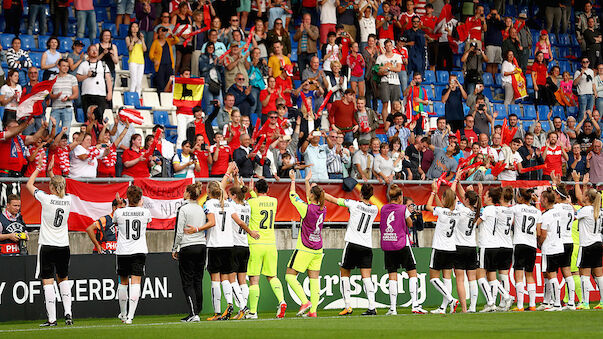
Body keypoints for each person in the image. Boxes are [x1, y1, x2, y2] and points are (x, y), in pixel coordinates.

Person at [184, 174, 256, 321]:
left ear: (209, 192)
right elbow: (241, 223)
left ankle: (218, 312)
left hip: (215, 245)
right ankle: (238, 305)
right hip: (229, 245)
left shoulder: (209, 204)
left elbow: (211, 223)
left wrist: (197, 229)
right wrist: (251, 233)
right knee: (227, 279)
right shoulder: (228, 204)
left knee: (215, 279)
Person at [25, 166, 73, 326]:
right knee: (63, 279)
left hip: (47, 245)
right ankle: (68, 314)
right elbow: (60, 188)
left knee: (48, 281)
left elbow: (29, 185)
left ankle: (52, 319)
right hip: (63, 245)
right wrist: (52, 173)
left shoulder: (45, 198)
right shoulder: (68, 200)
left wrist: (39, 168)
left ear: (51, 187)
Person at [322, 183, 378, 316]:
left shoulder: (353, 204)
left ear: (360, 194)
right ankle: (372, 307)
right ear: (371, 195)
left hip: (352, 243)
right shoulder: (375, 209)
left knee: (345, 273)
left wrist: (320, 193)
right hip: (366, 246)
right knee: (366, 277)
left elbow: (333, 200)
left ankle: (348, 306)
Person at [243, 178, 287, 319]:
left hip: (255, 244)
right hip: (271, 244)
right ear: (268, 190)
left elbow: (254, 202)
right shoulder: (274, 201)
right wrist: (253, 191)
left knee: (254, 279)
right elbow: (262, 201)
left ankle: (253, 312)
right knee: (272, 276)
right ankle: (282, 301)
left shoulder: (251, 202)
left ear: (255, 189)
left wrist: (250, 191)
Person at [285, 169, 326, 318]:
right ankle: (313, 311)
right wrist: (307, 182)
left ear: (312, 196)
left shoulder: (306, 208)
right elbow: (311, 201)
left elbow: (292, 196)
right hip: (318, 248)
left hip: (305, 247)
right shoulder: (323, 209)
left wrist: (293, 180)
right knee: (314, 279)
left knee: (289, 276)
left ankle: (304, 301)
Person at [379, 184, 426, 314]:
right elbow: (410, 224)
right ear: (400, 197)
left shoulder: (383, 208)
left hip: (388, 244)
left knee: (392, 275)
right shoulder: (402, 208)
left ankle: (393, 308)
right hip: (402, 243)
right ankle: (415, 305)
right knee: (412, 272)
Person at [171, 182, 206, 322]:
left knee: (188, 281)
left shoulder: (183, 209)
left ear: (188, 194)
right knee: (198, 280)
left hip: (188, 246)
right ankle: (197, 310)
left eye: (185, 191)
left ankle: (193, 313)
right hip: (201, 246)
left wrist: (175, 248)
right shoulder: (200, 208)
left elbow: (179, 232)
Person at [425, 181, 461, 314]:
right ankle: (443, 308)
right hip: (451, 249)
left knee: (433, 278)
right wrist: (438, 198)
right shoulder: (456, 213)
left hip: (439, 248)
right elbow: (443, 209)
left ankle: (451, 300)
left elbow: (429, 206)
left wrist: (433, 192)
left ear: (445, 199)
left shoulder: (441, 211)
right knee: (447, 278)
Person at [509, 189, 542, 312]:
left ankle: (520, 305)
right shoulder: (537, 212)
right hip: (531, 244)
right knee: (529, 274)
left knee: (519, 274)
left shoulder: (516, 208)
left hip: (519, 243)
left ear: (521, 198)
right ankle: (532, 304)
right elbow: (539, 232)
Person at [573, 177, 603, 310]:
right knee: (599, 274)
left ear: (587, 198)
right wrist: (583, 185)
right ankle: (602, 302)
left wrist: (569, 204)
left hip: (587, 245)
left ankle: (585, 303)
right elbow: (581, 198)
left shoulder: (585, 211)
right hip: (598, 243)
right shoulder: (599, 211)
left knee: (584, 274)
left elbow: (573, 215)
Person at [451, 180, 482, 313]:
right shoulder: (477, 211)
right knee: (472, 279)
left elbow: (452, 196)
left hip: (459, 247)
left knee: (460, 279)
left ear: (467, 200)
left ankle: (464, 308)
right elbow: (466, 197)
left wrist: (456, 181)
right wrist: (460, 185)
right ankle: (473, 307)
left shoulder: (461, 210)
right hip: (471, 247)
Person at [227, 178, 252, 320]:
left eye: (230, 195)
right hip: (245, 246)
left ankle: (243, 307)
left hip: (234, 246)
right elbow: (239, 192)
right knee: (242, 280)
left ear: (234, 196)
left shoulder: (232, 207)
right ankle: (244, 308)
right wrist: (237, 180)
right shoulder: (247, 205)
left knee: (232, 279)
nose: (229, 197)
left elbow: (234, 195)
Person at [538, 189, 565, 311]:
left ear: (545, 200)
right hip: (559, 246)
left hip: (550, 248)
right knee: (549, 274)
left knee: (551, 275)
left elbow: (543, 235)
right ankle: (548, 301)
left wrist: (539, 243)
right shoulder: (558, 212)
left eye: (541, 199)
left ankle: (557, 303)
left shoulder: (546, 215)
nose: (540, 201)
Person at [76, 45, 113, 122]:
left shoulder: (103, 64)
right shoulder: (84, 64)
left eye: (96, 50)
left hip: (100, 94)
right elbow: (78, 78)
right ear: (88, 53)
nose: (94, 51)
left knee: (99, 117)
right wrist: (87, 76)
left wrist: (109, 93)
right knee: (88, 118)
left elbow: (108, 79)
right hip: (87, 94)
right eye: (92, 50)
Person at [376, 39, 402, 123]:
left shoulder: (397, 56)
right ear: (384, 47)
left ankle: (394, 123)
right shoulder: (380, 58)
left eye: (390, 45)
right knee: (385, 103)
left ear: (392, 46)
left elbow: (398, 69)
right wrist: (383, 71)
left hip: (395, 81)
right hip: (385, 81)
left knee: (395, 105)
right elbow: (378, 71)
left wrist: (387, 67)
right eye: (387, 46)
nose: (388, 47)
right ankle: (385, 123)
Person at [49, 59, 79, 134]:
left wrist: (68, 98)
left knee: (66, 134)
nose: (66, 68)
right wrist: (55, 96)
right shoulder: (52, 78)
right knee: (52, 133)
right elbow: (49, 94)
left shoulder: (72, 78)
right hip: (55, 108)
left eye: (67, 66)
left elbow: (76, 94)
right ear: (58, 66)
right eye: (64, 66)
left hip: (67, 108)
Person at [150, 27, 179, 93]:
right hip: (160, 65)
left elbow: (177, 40)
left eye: (163, 31)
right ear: (158, 33)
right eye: (160, 31)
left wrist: (171, 34)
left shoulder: (168, 41)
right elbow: (151, 54)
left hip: (169, 65)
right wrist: (154, 60)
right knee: (160, 83)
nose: (162, 33)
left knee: (168, 82)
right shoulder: (155, 42)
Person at [126, 22, 148, 95]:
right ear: (130, 28)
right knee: (133, 80)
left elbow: (144, 49)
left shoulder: (140, 38)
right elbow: (130, 49)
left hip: (141, 61)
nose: (135, 28)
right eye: (133, 27)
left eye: (136, 27)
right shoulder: (128, 38)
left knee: (139, 81)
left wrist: (142, 40)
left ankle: (138, 97)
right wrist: (133, 40)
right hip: (133, 61)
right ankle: (131, 96)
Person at [574, 57, 595, 123]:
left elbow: (593, 83)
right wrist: (580, 75)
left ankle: (587, 129)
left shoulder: (591, 71)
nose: (585, 63)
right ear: (581, 63)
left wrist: (595, 92)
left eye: (587, 62)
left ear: (589, 63)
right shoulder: (578, 71)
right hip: (582, 94)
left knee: (589, 113)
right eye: (584, 62)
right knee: (582, 113)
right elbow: (574, 83)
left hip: (590, 94)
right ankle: (579, 129)